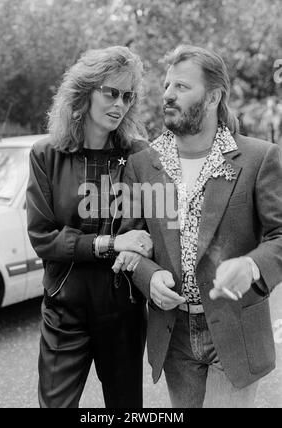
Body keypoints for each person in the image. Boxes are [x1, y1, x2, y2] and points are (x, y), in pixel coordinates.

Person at [114, 45, 282, 408]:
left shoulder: (258, 158)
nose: (168, 95)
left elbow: (279, 236)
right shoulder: (142, 165)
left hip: (236, 332)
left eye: (182, 87)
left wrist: (252, 264)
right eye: (167, 85)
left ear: (213, 96)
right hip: (173, 336)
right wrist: (149, 276)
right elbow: (131, 244)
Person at [26, 45, 153, 408]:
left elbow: (147, 233)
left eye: (128, 96)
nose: (120, 104)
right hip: (64, 310)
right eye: (111, 92)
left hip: (123, 309)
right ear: (85, 91)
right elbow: (42, 237)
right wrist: (108, 243)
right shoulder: (45, 155)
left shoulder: (139, 156)